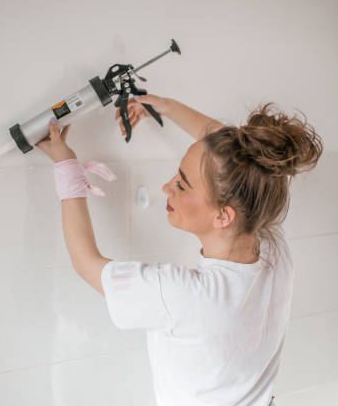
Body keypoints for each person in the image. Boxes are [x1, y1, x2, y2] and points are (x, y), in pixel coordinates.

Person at [36, 94, 323, 406]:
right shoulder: (272, 246)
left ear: (223, 215)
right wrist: (166, 107)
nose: (166, 187)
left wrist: (66, 166)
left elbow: (85, 261)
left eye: (183, 185)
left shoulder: (182, 294)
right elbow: (232, 150)